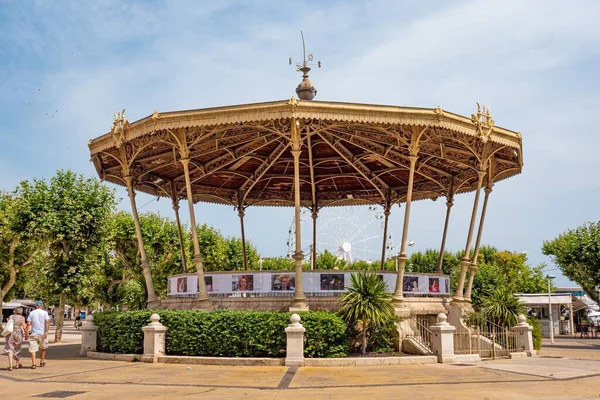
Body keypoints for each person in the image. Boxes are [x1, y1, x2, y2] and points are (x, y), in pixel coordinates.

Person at [26, 300, 50, 369]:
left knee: (33, 350)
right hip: (42, 334)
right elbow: (47, 322)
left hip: (33, 334)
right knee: (43, 348)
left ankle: (34, 364)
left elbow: (28, 323)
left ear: (36, 306)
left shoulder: (32, 313)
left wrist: (27, 333)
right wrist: (46, 332)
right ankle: (42, 361)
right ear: (42, 306)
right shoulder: (45, 313)